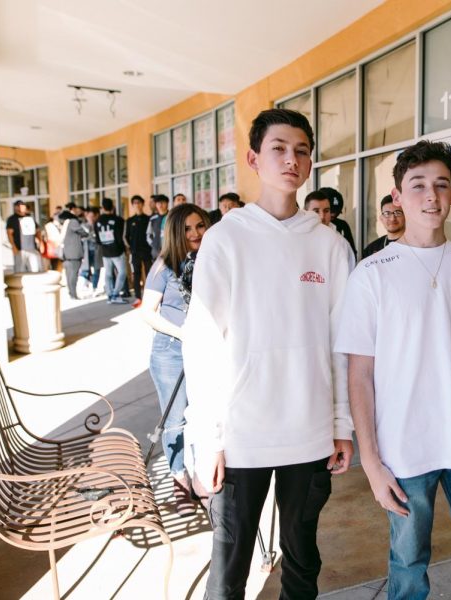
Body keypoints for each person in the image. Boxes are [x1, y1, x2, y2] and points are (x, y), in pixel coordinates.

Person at [337, 140, 451, 599]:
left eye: (441, 184)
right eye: (417, 185)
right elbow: (359, 374)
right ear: (397, 197)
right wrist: (373, 463)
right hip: (404, 453)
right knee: (406, 567)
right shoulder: (372, 273)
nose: (431, 195)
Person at [181, 108, 355, 600]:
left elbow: (341, 342)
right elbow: (202, 344)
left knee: (302, 560)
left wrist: (341, 425)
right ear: (254, 158)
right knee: (229, 568)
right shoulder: (225, 239)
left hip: (309, 430)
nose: (291, 159)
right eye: (279, 148)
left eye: (301, 150)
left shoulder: (328, 245)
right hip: (242, 436)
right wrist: (206, 438)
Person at [141, 203, 212, 516]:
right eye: (187, 228)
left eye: (199, 226)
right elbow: (148, 313)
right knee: (176, 422)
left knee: (206, 415)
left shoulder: (211, 260)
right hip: (171, 352)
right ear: (175, 232)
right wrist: (185, 335)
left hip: (206, 351)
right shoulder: (164, 265)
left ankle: (204, 478)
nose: (195, 233)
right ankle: (179, 482)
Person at [95, 197, 128, 304]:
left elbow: (98, 239)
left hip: (105, 251)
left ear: (102, 207)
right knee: (122, 272)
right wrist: (124, 249)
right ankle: (115, 294)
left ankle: (109, 294)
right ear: (113, 207)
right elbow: (120, 237)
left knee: (108, 274)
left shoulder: (97, 221)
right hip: (117, 251)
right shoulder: (118, 220)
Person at [126, 195, 153, 307]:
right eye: (135, 203)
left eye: (139, 202)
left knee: (149, 274)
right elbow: (126, 237)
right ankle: (138, 297)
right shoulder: (129, 221)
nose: (137, 205)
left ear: (143, 204)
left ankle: (150, 297)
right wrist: (130, 249)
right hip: (135, 252)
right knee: (136, 275)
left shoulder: (149, 219)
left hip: (147, 251)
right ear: (132, 205)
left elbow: (152, 235)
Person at [5, 199, 43, 273]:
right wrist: (14, 247)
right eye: (19, 206)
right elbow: (9, 233)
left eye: (23, 206)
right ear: (16, 208)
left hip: (32, 248)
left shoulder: (30, 218)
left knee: (34, 269)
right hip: (20, 249)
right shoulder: (12, 219)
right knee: (20, 270)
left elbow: (37, 231)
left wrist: (40, 243)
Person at [362, 194, 405, 259]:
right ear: (381, 218)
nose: (392, 218)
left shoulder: (416, 245)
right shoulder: (371, 250)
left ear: (406, 216)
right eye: (387, 213)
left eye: (397, 213)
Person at [58, 210, 88, 300]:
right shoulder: (73, 222)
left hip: (65, 254)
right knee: (73, 275)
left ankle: (71, 293)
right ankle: (73, 294)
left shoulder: (64, 224)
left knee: (69, 274)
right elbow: (83, 232)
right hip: (74, 253)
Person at [321, 186, 357, 255]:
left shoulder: (342, 225)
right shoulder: (309, 225)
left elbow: (352, 253)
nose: (333, 215)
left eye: (337, 212)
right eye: (329, 211)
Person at [147, 195, 169, 261]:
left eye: (162, 202)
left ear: (167, 203)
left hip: (170, 252)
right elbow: (148, 234)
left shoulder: (172, 217)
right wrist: (154, 245)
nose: (160, 205)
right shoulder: (153, 219)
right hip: (156, 252)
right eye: (158, 203)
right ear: (156, 205)